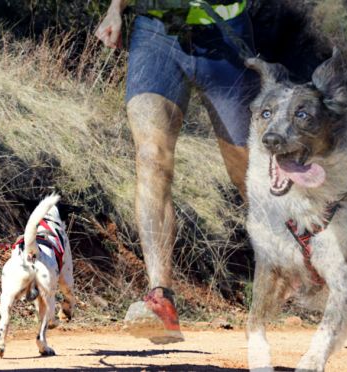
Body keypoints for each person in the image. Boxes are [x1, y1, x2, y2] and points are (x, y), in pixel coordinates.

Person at [95, 0, 258, 344]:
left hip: (224, 33)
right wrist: (115, 9)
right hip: (157, 31)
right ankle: (160, 299)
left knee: (246, 171)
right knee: (151, 156)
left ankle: (312, 261)